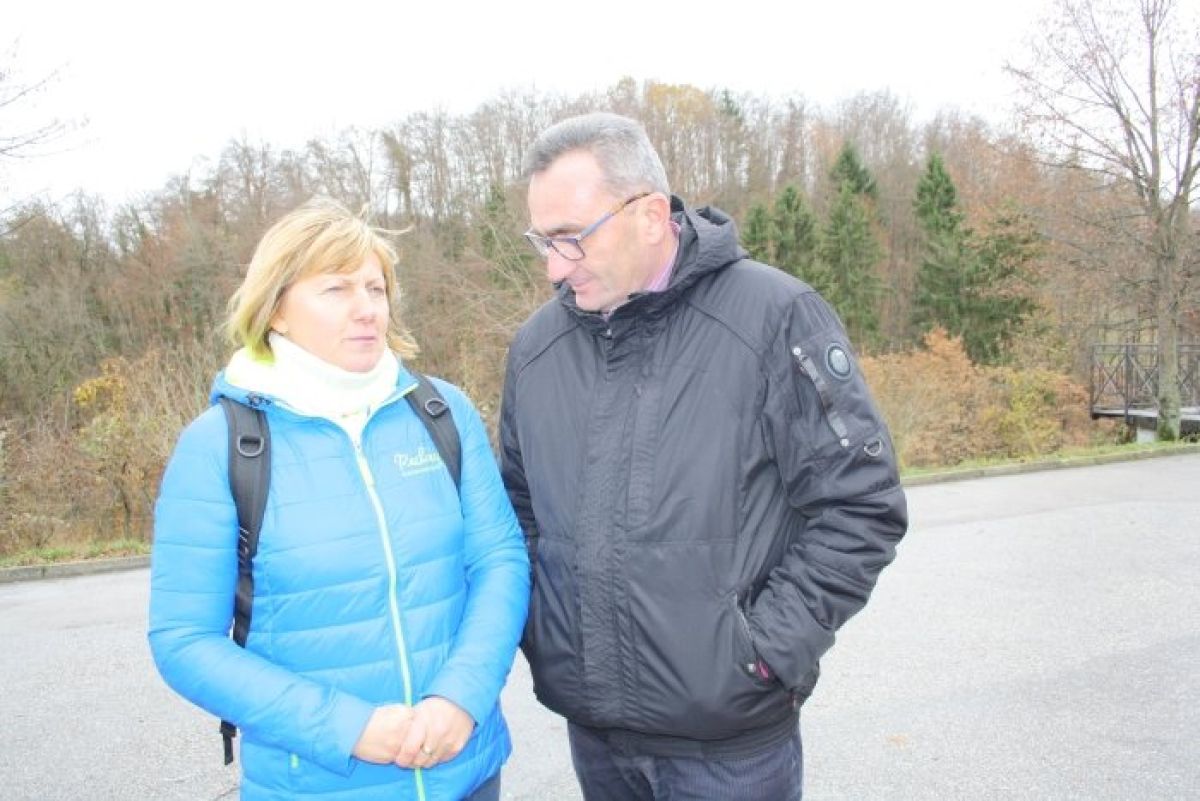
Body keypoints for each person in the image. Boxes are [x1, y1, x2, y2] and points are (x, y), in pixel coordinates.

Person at [500, 112, 908, 801]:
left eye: (571, 238)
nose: (554, 266)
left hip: (730, 748)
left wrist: (761, 651)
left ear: (650, 215)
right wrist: (549, 636)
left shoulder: (774, 316)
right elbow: (520, 514)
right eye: (543, 240)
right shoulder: (536, 349)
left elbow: (861, 505)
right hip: (595, 735)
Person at [149, 197, 529, 801]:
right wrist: (347, 728)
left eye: (375, 288)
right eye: (336, 289)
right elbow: (185, 640)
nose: (366, 309)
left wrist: (462, 697)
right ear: (276, 310)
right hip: (315, 784)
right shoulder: (218, 446)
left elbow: (499, 561)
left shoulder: (441, 412)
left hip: (465, 770)